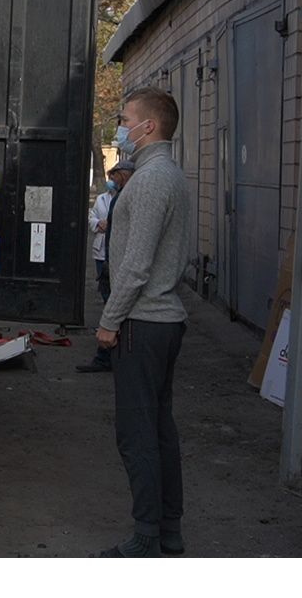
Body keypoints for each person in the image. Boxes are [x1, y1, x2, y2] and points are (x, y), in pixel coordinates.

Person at [94, 87, 192, 558]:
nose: (120, 126)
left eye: (125, 118)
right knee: (158, 428)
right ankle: (166, 530)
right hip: (159, 321)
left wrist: (109, 321)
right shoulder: (164, 175)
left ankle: (147, 535)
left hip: (143, 322)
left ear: (148, 126)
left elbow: (136, 265)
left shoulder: (153, 179)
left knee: (138, 434)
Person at [77, 159, 135, 373]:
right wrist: (97, 224)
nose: (112, 180)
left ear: (125, 175)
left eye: (115, 175)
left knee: (112, 306)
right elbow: (93, 218)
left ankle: (108, 356)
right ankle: (111, 355)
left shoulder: (127, 196)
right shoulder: (107, 198)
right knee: (108, 301)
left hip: (116, 261)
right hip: (106, 255)